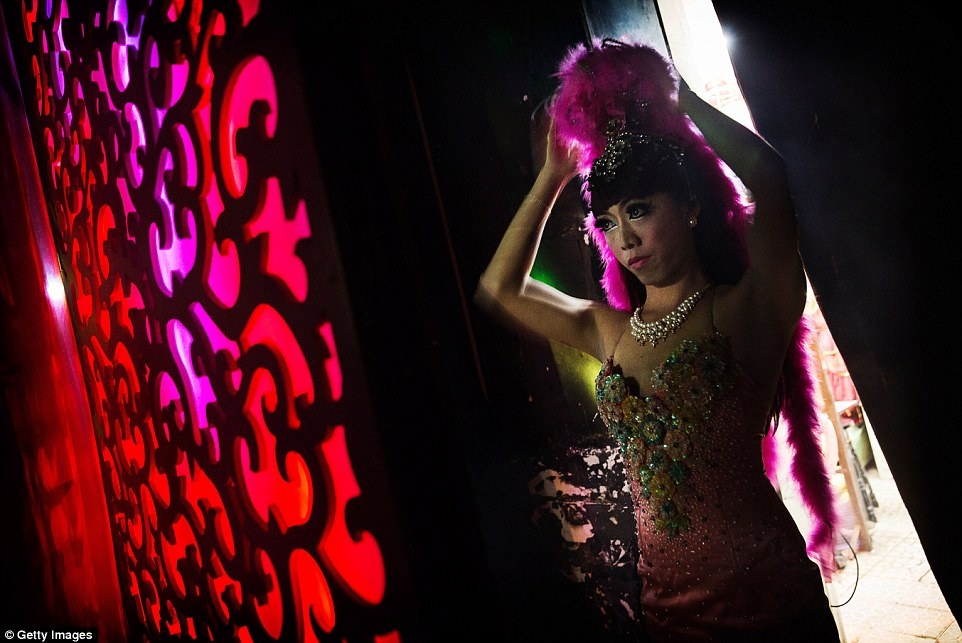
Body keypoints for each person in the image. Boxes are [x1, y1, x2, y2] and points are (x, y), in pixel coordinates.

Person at [476, 39, 840, 642]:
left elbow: (769, 180)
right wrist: (553, 176)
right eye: (608, 223)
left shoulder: (746, 310)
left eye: (639, 211)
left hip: (770, 609)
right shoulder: (609, 330)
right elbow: (498, 288)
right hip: (667, 617)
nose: (624, 240)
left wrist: (683, 101)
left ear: (690, 207)